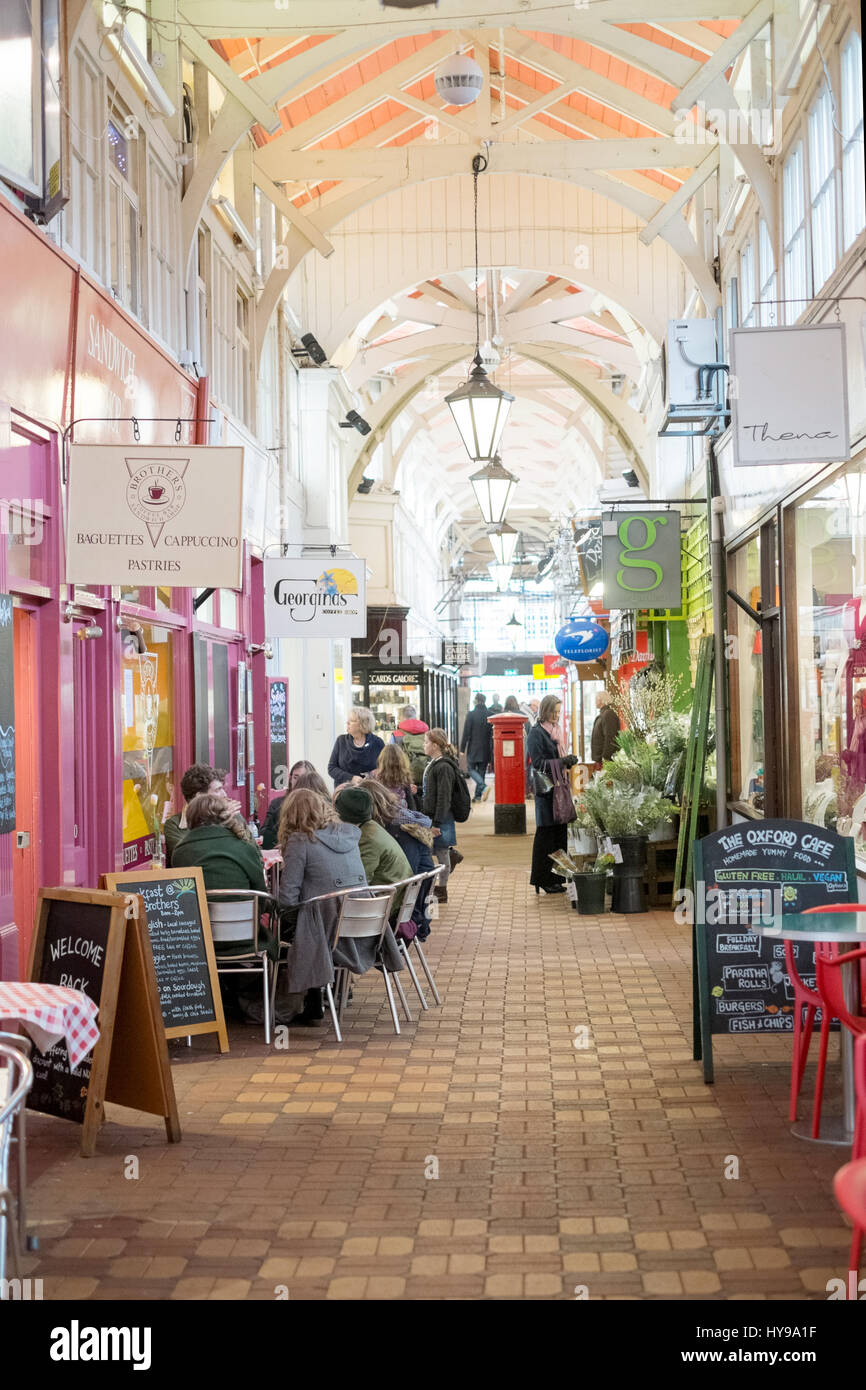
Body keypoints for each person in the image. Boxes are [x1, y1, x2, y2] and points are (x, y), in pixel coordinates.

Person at [171, 793, 272, 1021]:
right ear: (225, 816)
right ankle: (244, 999)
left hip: (197, 939)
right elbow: (261, 897)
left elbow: (179, 899)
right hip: (245, 937)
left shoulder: (181, 850)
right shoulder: (243, 846)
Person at [277, 788, 369, 1025]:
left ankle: (292, 1000)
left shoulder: (300, 841)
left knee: (283, 930)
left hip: (325, 929)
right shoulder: (349, 834)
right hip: (361, 923)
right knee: (312, 914)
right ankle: (318, 996)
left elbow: (288, 897)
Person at [359, 778, 437, 937]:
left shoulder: (397, 831)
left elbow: (404, 876)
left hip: (408, 913)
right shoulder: (403, 819)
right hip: (419, 905)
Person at [527, 693, 578, 895]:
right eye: (554, 712)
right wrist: (563, 762)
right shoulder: (536, 733)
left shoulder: (556, 731)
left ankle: (557, 877)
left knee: (559, 834)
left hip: (560, 788)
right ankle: (542, 878)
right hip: (547, 792)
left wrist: (567, 760)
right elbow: (538, 764)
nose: (557, 715)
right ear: (545, 711)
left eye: (559, 712)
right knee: (546, 836)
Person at [335, 786, 412, 904]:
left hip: (386, 904)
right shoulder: (371, 826)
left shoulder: (366, 838)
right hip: (397, 894)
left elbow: (359, 880)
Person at [163, 764, 238, 866]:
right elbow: (191, 855)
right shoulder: (173, 825)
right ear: (199, 797)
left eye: (222, 789)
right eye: (217, 790)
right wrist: (219, 820)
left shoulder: (231, 816)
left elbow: (250, 850)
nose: (224, 794)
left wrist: (226, 818)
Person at [422, 728, 462, 902]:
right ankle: (452, 858)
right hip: (434, 815)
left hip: (440, 816)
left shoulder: (444, 766)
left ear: (435, 745)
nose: (423, 745)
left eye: (426, 742)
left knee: (441, 852)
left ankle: (442, 889)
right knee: (436, 850)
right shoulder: (434, 763)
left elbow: (444, 796)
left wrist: (436, 823)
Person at [260, 761, 328, 850]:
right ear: (290, 779)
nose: (299, 782)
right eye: (295, 777)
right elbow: (266, 835)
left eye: (304, 778)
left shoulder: (321, 804)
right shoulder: (277, 804)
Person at [328, 707, 384, 788]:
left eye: (351, 721)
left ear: (363, 724)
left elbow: (385, 768)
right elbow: (331, 768)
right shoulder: (341, 741)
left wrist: (373, 774)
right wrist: (351, 778)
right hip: (345, 792)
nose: (347, 722)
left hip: (371, 791)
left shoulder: (377, 742)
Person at [460, 693, 493, 802]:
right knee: (482, 771)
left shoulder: (471, 714)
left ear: (476, 700)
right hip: (486, 748)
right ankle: (478, 796)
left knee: (470, 769)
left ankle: (483, 786)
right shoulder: (489, 714)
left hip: (473, 747)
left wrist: (462, 748)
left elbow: (466, 733)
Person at [390, 705, 430, 785]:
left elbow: (390, 757)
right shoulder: (427, 733)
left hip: (403, 778)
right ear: (415, 716)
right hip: (426, 776)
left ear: (401, 717)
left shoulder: (397, 734)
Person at [373, 743, 417, 810]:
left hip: (380, 815)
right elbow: (411, 805)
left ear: (382, 759)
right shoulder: (404, 777)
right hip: (402, 816)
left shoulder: (374, 776)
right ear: (401, 760)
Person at [591, 690, 621, 768]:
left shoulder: (608, 715)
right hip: (601, 760)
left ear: (601, 700)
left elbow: (610, 738)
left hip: (605, 761)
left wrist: (605, 758)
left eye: (596, 698)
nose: (595, 701)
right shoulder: (604, 714)